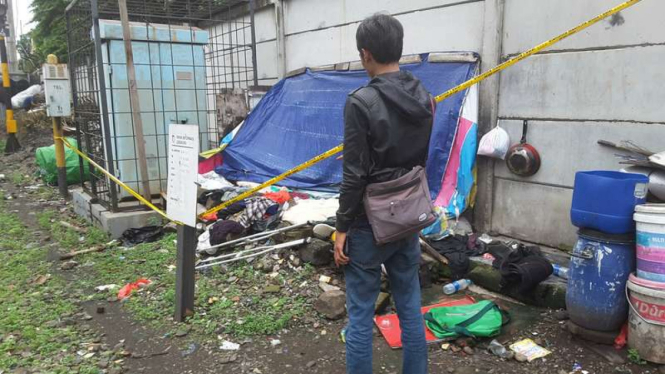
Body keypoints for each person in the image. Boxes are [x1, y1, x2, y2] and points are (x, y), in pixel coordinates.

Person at [334, 13, 434, 374]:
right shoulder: (423, 95)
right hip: (408, 215)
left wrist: (341, 227)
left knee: (359, 313)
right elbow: (419, 160)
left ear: (365, 54)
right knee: (410, 302)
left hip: (367, 222)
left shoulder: (360, 101)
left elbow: (354, 174)